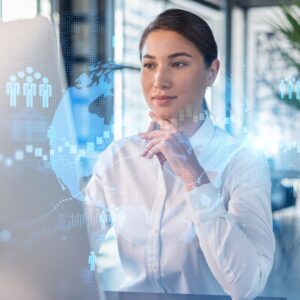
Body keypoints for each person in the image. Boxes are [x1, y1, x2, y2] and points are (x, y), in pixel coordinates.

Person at [85, 8, 275, 299]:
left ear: (211, 72)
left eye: (178, 64)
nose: (159, 80)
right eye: (149, 65)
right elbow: (74, 252)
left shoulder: (242, 161)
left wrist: (193, 174)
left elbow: (247, 285)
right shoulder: (117, 159)